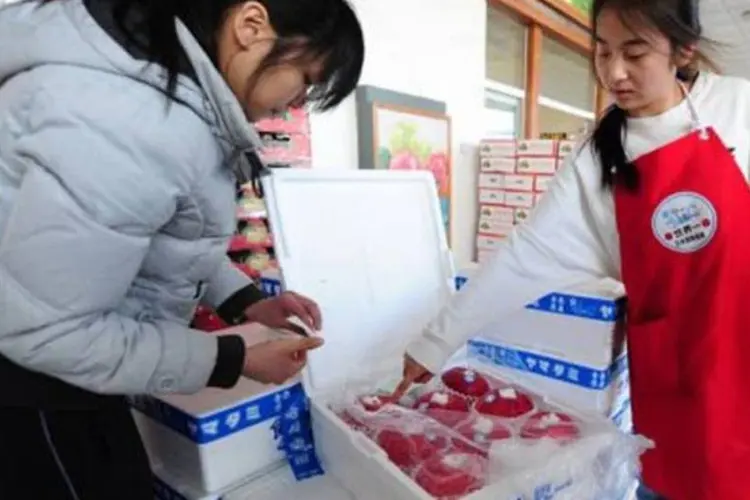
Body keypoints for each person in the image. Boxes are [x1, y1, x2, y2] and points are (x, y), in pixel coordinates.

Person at [0, 0, 363, 498]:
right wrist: (234, 359)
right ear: (251, 24)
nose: (299, 103)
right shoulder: (130, 117)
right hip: (33, 392)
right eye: (307, 77)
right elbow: (48, 333)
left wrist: (247, 301)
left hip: (69, 373)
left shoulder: (170, 97)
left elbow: (155, 236)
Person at [399, 0, 750, 499]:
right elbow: (525, 254)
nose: (615, 72)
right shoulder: (596, 158)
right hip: (676, 389)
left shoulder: (738, 107)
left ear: (682, 50)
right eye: (602, 52)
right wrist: (434, 342)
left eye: (634, 53)